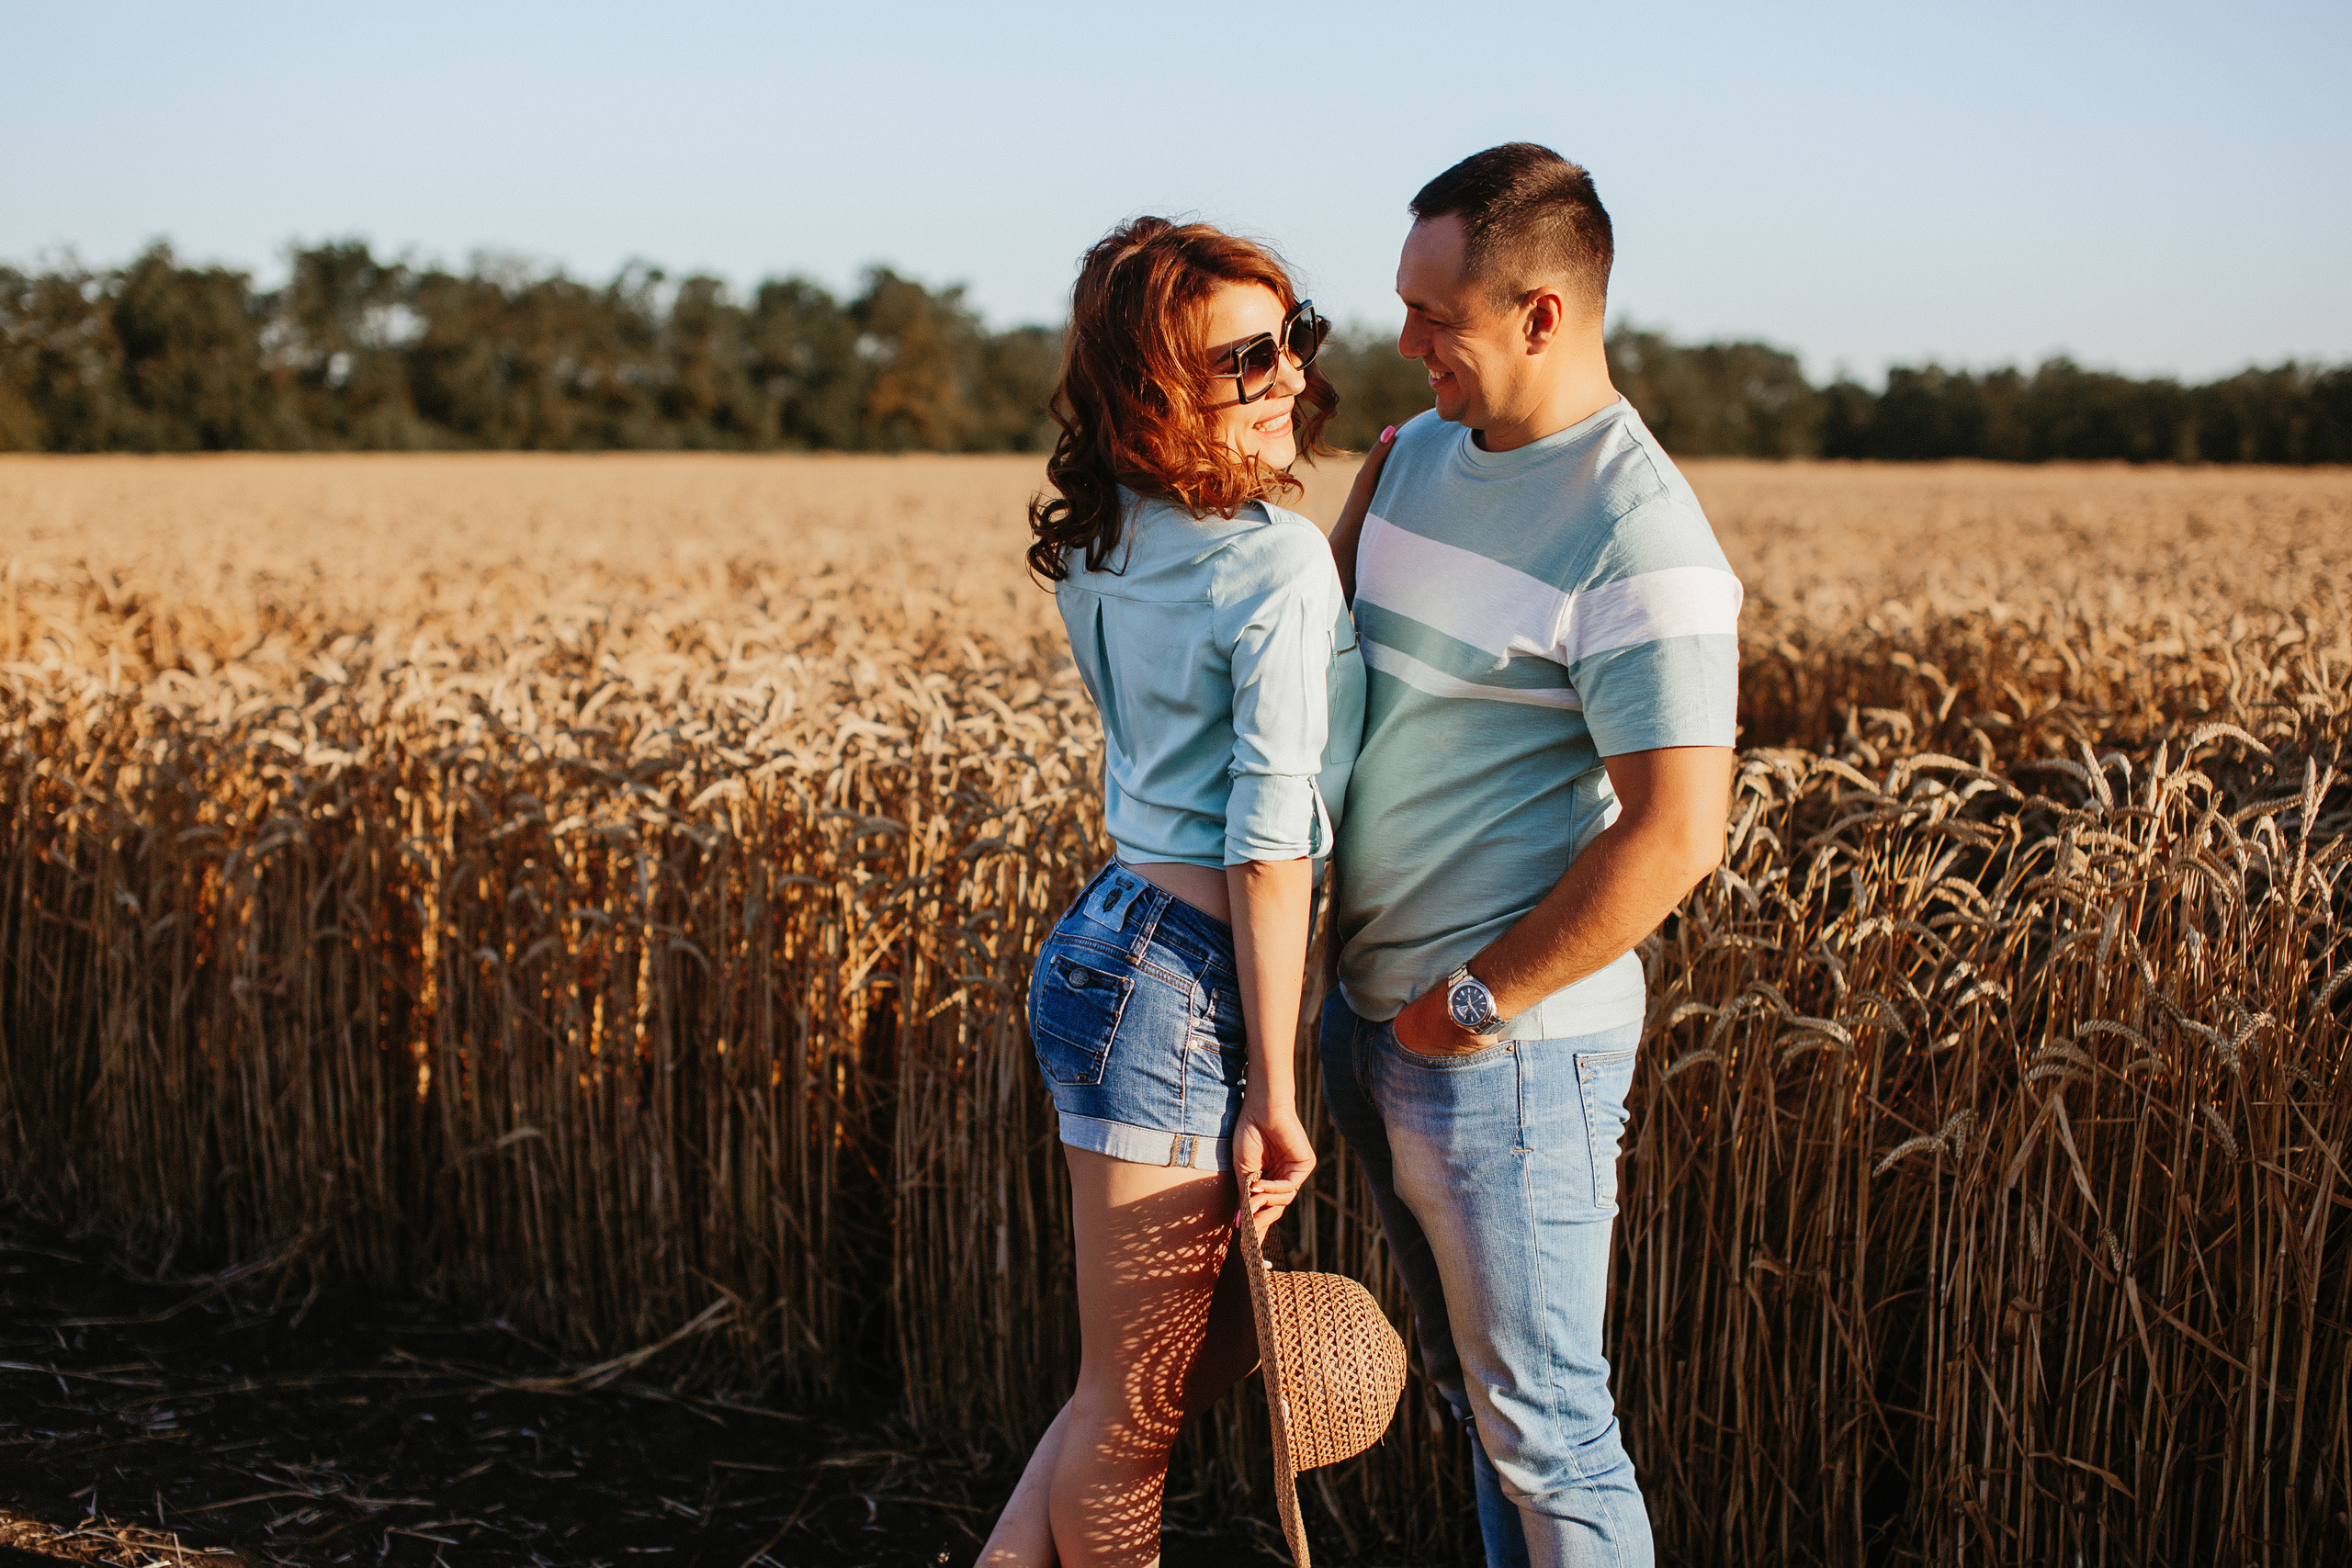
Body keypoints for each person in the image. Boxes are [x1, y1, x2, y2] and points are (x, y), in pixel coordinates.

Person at [1321, 144, 1743, 1568]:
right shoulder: (1414, 457)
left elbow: (1679, 832)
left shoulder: (1639, 533)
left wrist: (1472, 1005)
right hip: (1381, 1020)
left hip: (1505, 1058)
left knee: (1550, 1433)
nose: (1404, 341)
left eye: (1435, 316)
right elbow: (1325, 662)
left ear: (1543, 315)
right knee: (1482, 1414)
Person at [977, 217, 1369, 1568]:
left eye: (1292, 337)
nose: (1287, 378)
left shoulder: (1115, 535)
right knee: (1136, 1410)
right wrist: (1278, 1092)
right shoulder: (1270, 563)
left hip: (1112, 940)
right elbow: (1270, 848)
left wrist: (1334, 523)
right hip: (1188, 986)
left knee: (1143, 1385)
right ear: (1157, 392)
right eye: (1243, 358)